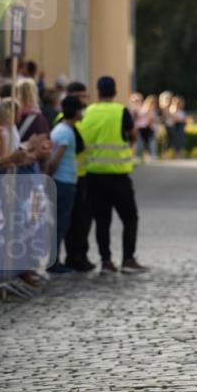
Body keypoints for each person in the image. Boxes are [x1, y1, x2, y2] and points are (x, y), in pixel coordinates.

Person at [78, 75, 147, 273]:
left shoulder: (88, 111)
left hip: (93, 175)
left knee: (102, 220)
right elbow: (133, 135)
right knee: (130, 218)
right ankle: (127, 259)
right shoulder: (120, 111)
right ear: (115, 92)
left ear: (98, 92)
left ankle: (105, 261)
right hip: (118, 175)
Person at [46, 95, 84, 274]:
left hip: (64, 182)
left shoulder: (62, 129)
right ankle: (53, 263)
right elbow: (54, 160)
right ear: (76, 111)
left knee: (60, 222)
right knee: (60, 223)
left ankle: (54, 261)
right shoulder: (65, 132)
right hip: (63, 183)